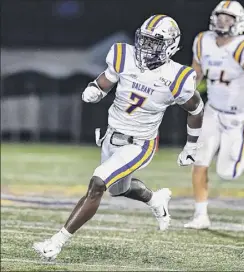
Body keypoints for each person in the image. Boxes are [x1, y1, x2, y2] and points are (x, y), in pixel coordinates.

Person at [32, 14, 204, 261]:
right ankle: (156, 199)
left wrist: (191, 145)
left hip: (140, 144)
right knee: (117, 189)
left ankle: (56, 242)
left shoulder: (178, 77)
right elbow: (106, 79)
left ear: (171, 46)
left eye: (154, 43)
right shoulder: (123, 56)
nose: (146, 48)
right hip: (111, 136)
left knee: (98, 183)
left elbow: (196, 109)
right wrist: (96, 89)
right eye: (144, 40)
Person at [184, 0, 244, 229]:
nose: (222, 21)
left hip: (237, 118)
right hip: (213, 111)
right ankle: (200, 215)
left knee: (227, 173)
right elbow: (197, 72)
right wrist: (184, 92)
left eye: (228, 18)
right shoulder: (202, 41)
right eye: (219, 16)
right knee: (200, 159)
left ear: (239, 22)